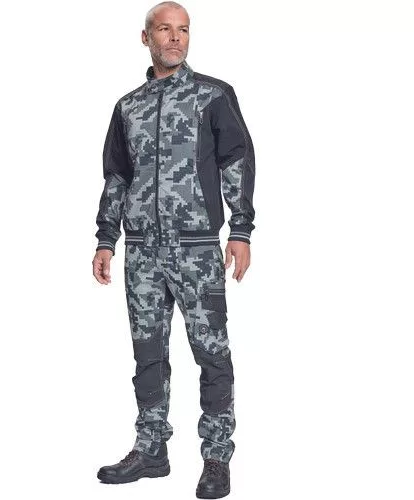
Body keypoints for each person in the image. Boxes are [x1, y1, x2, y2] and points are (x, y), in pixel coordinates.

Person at [93, 2, 256, 498]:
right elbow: (116, 176)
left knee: (211, 353)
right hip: (142, 251)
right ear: (146, 38)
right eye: (165, 29)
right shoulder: (128, 107)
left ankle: (216, 457)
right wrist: (106, 239)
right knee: (148, 355)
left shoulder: (212, 95)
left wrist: (241, 230)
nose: (175, 38)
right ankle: (151, 450)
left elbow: (236, 160)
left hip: (197, 247)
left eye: (183, 30)